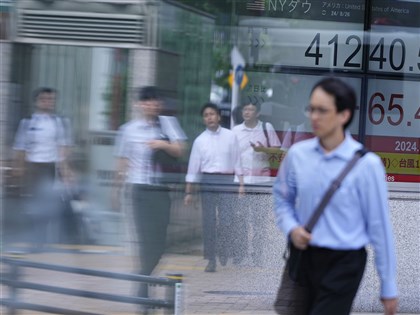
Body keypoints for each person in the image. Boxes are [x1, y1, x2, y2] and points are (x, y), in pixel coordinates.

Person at [273, 77, 398, 315]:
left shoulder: (367, 165)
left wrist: (388, 286)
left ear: (344, 115)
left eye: (322, 110)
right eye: (311, 109)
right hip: (304, 259)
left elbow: (379, 228)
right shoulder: (297, 155)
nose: (314, 117)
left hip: (345, 264)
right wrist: (292, 228)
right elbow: (282, 198)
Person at [114, 86, 187, 307]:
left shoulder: (168, 124)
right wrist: (116, 190)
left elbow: (180, 150)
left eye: (155, 101)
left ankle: (141, 283)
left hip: (161, 190)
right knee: (145, 243)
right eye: (147, 101)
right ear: (139, 104)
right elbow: (122, 162)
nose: (152, 105)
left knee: (159, 244)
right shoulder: (128, 129)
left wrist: (162, 144)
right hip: (138, 190)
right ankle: (142, 294)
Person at [184, 102, 244, 272]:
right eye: (206, 115)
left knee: (227, 220)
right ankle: (211, 259)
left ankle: (224, 250)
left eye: (212, 114)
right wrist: (189, 192)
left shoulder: (231, 136)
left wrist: (241, 184)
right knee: (209, 221)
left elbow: (237, 161)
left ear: (218, 116)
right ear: (204, 119)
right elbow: (193, 168)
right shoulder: (199, 141)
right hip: (207, 181)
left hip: (227, 180)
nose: (209, 117)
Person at [13, 87, 72, 251]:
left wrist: (66, 171)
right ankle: (34, 241)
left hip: (50, 166)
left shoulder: (59, 122)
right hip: (32, 166)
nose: (48, 102)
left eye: (51, 99)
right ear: (37, 101)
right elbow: (20, 147)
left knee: (48, 204)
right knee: (32, 206)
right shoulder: (28, 122)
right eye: (44, 99)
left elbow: (63, 148)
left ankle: (44, 242)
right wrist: (19, 168)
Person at [232, 102, 282, 266]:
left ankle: (257, 256)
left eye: (251, 109)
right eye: (245, 109)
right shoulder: (236, 131)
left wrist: (264, 150)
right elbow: (233, 157)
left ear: (258, 113)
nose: (247, 112)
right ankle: (240, 254)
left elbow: (277, 151)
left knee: (259, 220)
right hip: (242, 182)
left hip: (261, 181)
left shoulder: (266, 128)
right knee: (241, 219)